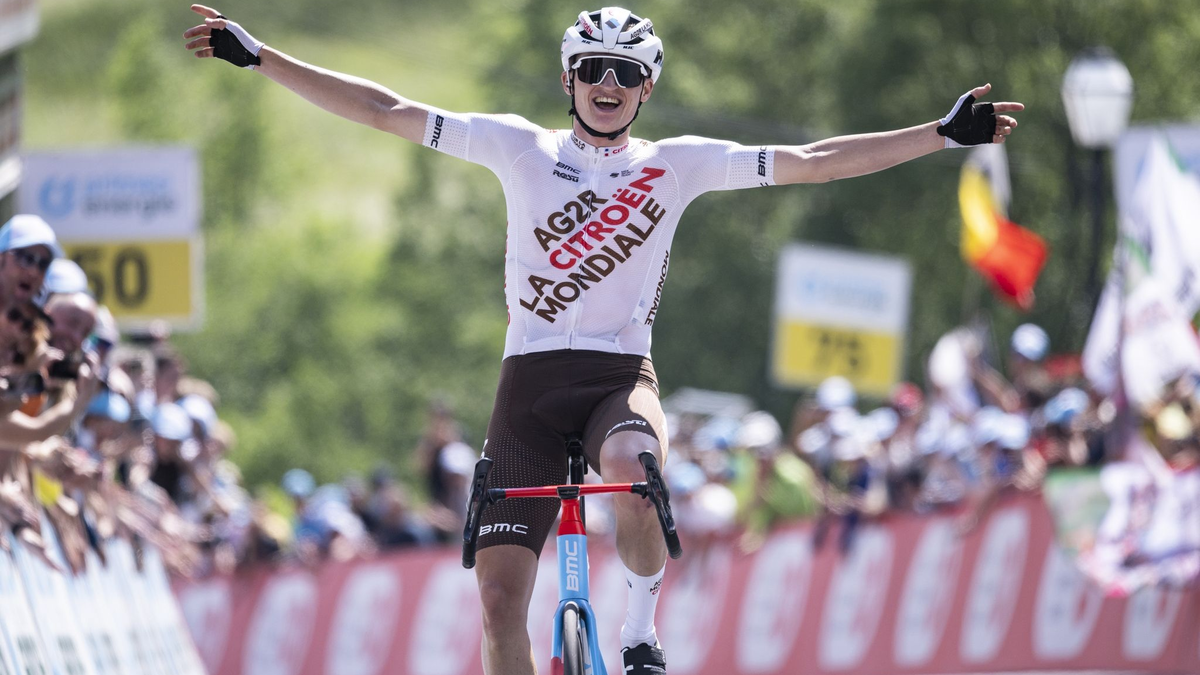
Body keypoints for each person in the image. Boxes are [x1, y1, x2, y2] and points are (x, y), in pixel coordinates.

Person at [184, 6, 1022, 673]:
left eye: (627, 72)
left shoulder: (679, 163)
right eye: (595, 70)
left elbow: (812, 158)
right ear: (569, 78)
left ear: (647, 86)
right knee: (499, 604)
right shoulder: (518, 146)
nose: (609, 84)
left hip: (619, 378)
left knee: (640, 473)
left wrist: (938, 136)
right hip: (528, 392)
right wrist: (263, 59)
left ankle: (640, 634)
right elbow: (387, 109)